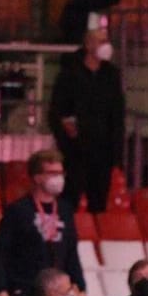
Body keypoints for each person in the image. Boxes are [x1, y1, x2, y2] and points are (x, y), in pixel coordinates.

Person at [0, 149, 86, 296]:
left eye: (61, 172)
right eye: (52, 173)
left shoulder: (65, 210)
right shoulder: (18, 210)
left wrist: (80, 286)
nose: (59, 177)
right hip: (27, 293)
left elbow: (71, 253)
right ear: (37, 177)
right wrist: (1, 289)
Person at [49, 25, 126, 213]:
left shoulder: (112, 75)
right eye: (101, 41)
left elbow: (117, 113)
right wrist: (66, 135)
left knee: (98, 201)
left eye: (106, 41)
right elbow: (57, 109)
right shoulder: (70, 73)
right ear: (89, 44)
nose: (106, 45)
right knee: (70, 199)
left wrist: (115, 152)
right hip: (75, 150)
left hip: (103, 150)